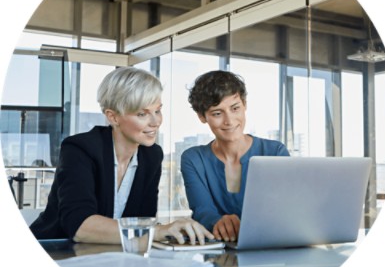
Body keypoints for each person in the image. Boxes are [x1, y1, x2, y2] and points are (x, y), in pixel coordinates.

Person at [30, 67, 214, 246]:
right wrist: (157, 231)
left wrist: (168, 232)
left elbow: (144, 221)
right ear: (113, 117)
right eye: (142, 114)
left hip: (110, 256)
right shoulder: (79, 149)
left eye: (157, 110)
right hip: (54, 250)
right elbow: (80, 227)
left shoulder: (151, 155)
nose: (155, 122)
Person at [181, 70, 289, 243]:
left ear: (244, 105)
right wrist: (218, 222)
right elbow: (202, 210)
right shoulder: (194, 158)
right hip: (218, 253)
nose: (229, 121)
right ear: (202, 117)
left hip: (270, 247)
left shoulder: (275, 152)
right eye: (217, 113)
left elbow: (284, 209)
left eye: (235, 108)